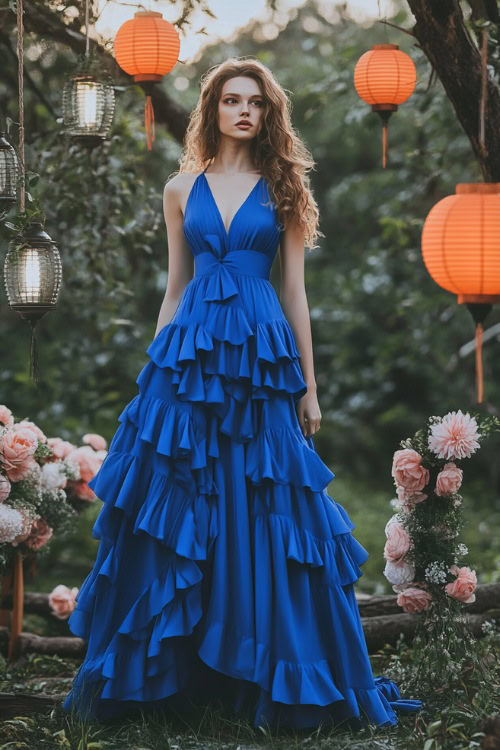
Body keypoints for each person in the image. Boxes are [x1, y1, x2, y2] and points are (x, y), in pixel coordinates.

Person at [62, 57, 423, 732]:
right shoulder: (179, 188)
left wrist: (309, 389)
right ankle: (169, 676)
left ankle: (270, 668)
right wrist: (157, 378)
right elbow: (174, 287)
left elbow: (294, 293)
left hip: (261, 364)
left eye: (254, 101)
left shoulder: (283, 186)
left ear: (267, 113)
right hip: (189, 364)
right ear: (213, 109)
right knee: (181, 506)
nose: (244, 111)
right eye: (231, 100)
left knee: (267, 505)